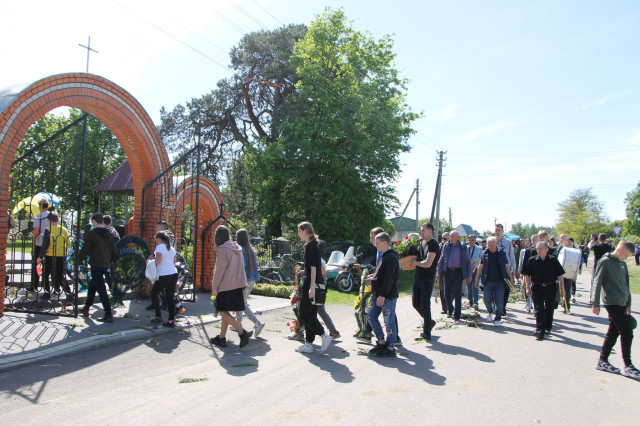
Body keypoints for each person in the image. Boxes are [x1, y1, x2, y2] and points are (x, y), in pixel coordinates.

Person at [592, 240, 639, 379]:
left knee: (613, 332)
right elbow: (597, 282)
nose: (626, 258)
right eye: (626, 255)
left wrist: (628, 303)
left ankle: (602, 360)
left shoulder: (622, 264)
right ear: (619, 251)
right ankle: (628, 365)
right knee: (627, 332)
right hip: (612, 303)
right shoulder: (605, 262)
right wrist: (595, 303)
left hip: (622, 303)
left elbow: (626, 284)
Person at [209, 225, 252, 348]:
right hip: (237, 285)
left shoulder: (223, 249)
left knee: (222, 312)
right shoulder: (236, 248)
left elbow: (219, 271)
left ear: (217, 237)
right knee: (225, 311)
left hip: (226, 285)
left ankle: (242, 332)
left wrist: (214, 287)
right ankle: (221, 338)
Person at [294, 222, 333, 353]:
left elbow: (314, 268)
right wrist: (305, 272)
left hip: (311, 285)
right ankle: (308, 344)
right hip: (316, 283)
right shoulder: (314, 245)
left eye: (299, 231)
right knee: (311, 314)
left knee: (304, 314)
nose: (298, 234)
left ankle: (324, 336)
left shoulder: (310, 246)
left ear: (306, 231)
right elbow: (313, 268)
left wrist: (311, 287)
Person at [364, 232, 400, 357]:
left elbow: (389, 278)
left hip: (387, 296)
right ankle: (381, 341)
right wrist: (372, 278)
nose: (375, 245)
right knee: (371, 316)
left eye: (377, 243)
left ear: (385, 243)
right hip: (378, 294)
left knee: (389, 320)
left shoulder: (391, 258)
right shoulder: (384, 256)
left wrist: (382, 295)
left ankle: (391, 346)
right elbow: (381, 274)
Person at [78, 213, 118, 323]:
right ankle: (86, 308)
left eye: (92, 222)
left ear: (94, 222)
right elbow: (114, 251)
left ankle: (108, 314)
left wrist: (78, 261)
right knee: (92, 286)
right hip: (105, 264)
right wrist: (111, 260)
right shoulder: (109, 233)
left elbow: (85, 249)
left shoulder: (93, 234)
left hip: (96, 264)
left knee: (102, 290)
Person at [524, 241, 565, 340]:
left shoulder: (553, 260)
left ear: (547, 249)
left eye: (541, 249)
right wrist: (527, 288)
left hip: (550, 287)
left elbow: (560, 274)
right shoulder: (532, 260)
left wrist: (562, 288)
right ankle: (539, 331)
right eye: (537, 249)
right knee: (539, 309)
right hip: (537, 287)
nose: (538, 251)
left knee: (549, 308)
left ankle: (548, 327)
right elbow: (527, 275)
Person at [474, 237, 513, 326]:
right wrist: (477, 279)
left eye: (492, 245)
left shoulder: (502, 253)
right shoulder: (485, 253)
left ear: (496, 244)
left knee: (499, 300)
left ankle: (498, 318)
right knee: (487, 299)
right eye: (488, 245)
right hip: (488, 281)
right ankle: (490, 311)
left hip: (500, 281)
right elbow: (480, 267)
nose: (490, 247)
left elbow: (506, 266)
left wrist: (510, 278)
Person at [411, 222, 440, 340]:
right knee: (415, 303)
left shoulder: (433, 244)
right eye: (421, 230)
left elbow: (428, 263)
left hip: (427, 279)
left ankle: (427, 332)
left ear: (430, 231)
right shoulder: (422, 243)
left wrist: (415, 263)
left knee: (425, 305)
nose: (421, 232)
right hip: (418, 277)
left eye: (423, 230)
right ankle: (429, 322)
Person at [235, 229, 266, 338]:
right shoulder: (251, 250)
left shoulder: (241, 250)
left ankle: (257, 322)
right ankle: (238, 324)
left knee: (241, 303)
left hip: (243, 280)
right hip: (251, 279)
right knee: (241, 303)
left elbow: (242, 266)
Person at [436, 230, 472, 323]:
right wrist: (438, 272)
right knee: (446, 292)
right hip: (448, 271)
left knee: (457, 294)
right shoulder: (446, 246)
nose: (450, 238)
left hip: (458, 272)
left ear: (457, 237)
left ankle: (457, 314)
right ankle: (450, 308)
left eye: (452, 237)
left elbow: (468, 261)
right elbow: (441, 259)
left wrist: (469, 275)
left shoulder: (463, 247)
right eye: (450, 236)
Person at [36, 212, 71, 299]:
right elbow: (68, 243)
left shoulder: (48, 229)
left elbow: (45, 244)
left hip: (50, 255)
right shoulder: (64, 230)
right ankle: (68, 292)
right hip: (61, 255)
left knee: (45, 274)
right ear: (58, 219)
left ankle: (47, 293)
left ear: (49, 220)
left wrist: (40, 257)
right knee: (60, 274)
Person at [148, 231, 179, 328]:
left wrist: (150, 262)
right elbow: (174, 261)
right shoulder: (171, 248)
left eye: (156, 239)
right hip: (173, 273)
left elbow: (158, 261)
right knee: (170, 297)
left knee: (153, 293)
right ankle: (171, 321)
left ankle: (158, 316)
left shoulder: (160, 247)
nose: (156, 241)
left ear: (158, 238)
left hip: (163, 274)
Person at [494, 224, 516, 315]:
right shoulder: (492, 241)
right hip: (495, 268)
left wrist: (513, 269)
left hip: (506, 268)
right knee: (495, 288)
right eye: (496, 230)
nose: (497, 232)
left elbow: (511, 255)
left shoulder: (508, 242)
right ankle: (497, 306)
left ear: (502, 231)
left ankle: (503, 306)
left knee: (506, 288)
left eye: (499, 230)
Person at [31, 199, 50, 290]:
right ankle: (47, 285)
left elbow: (36, 231)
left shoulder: (38, 216)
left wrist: (33, 245)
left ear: (40, 207)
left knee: (37, 264)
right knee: (48, 265)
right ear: (48, 206)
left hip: (39, 242)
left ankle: (35, 285)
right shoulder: (52, 216)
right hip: (49, 243)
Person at [520, 234, 539, 314]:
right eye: (532, 240)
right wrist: (523, 272)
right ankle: (528, 303)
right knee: (527, 288)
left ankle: (535, 306)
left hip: (537, 273)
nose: (533, 241)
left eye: (535, 239)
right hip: (529, 272)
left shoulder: (540, 249)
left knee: (535, 289)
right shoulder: (528, 250)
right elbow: (525, 261)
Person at [467, 234, 483, 310]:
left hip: (475, 269)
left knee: (475, 285)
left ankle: (475, 302)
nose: (471, 241)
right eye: (469, 240)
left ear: (475, 240)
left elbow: (481, 259)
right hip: (468, 270)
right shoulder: (466, 248)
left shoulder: (479, 249)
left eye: (472, 240)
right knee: (469, 286)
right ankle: (470, 301)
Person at [437, 231, 450, 313]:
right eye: (442, 238)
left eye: (445, 239)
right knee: (442, 289)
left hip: (450, 270)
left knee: (450, 289)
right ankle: (444, 308)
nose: (443, 240)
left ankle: (450, 305)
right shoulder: (440, 246)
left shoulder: (451, 246)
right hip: (441, 270)